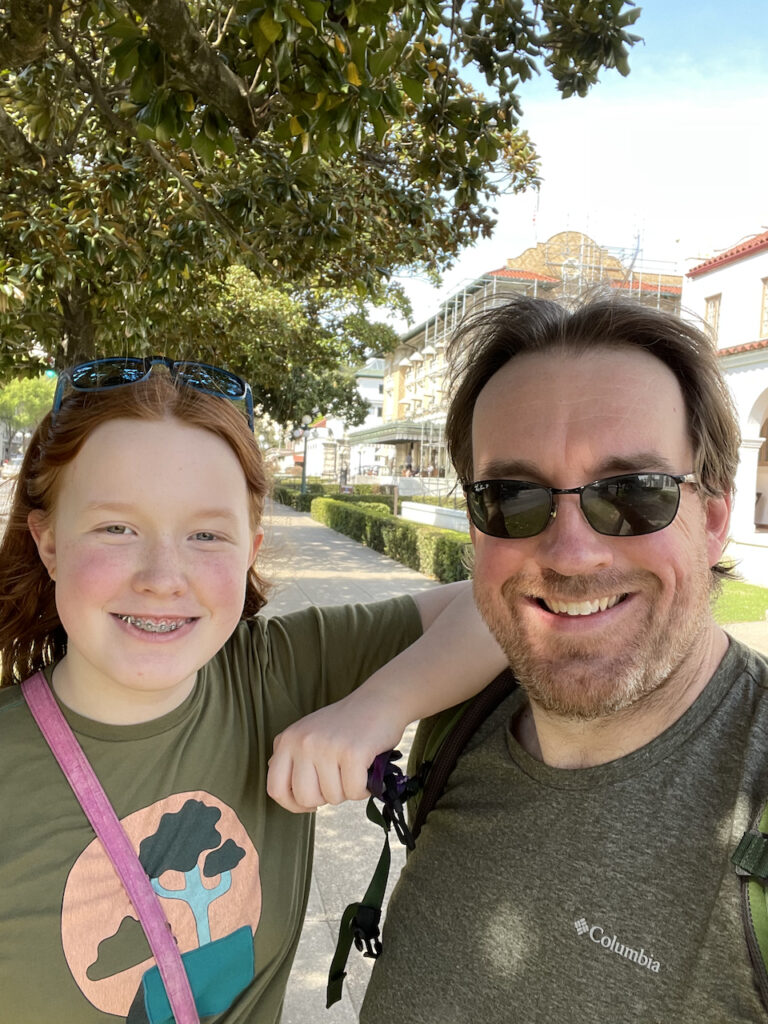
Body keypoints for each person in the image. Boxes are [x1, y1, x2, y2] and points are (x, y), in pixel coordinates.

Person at [0, 356, 506, 1024]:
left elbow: (505, 605)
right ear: (49, 543)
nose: (163, 577)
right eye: (116, 528)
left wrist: (374, 710)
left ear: (250, 551)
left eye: (206, 535)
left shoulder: (275, 671)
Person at [353, 295, 768, 1023]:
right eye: (513, 497)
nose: (572, 554)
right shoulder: (461, 724)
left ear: (712, 520)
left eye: (635, 492)